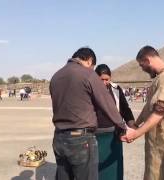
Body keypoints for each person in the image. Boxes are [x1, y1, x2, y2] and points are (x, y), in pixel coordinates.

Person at [50, 47, 133, 180]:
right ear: (89, 61)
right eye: (92, 67)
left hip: (59, 137)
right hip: (80, 139)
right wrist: (123, 126)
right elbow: (107, 103)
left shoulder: (56, 76)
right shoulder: (87, 74)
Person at [122, 46, 164, 180]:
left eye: (141, 65)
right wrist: (135, 125)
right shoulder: (159, 78)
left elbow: (160, 110)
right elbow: (148, 107)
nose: (142, 69)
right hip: (156, 145)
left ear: (147, 60)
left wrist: (136, 134)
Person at [95, 64, 135, 180]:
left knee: (113, 167)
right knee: (97, 167)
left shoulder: (116, 89)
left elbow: (125, 109)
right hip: (96, 136)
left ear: (110, 78)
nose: (104, 82)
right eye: (101, 79)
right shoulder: (90, 90)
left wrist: (133, 126)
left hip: (114, 135)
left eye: (106, 79)